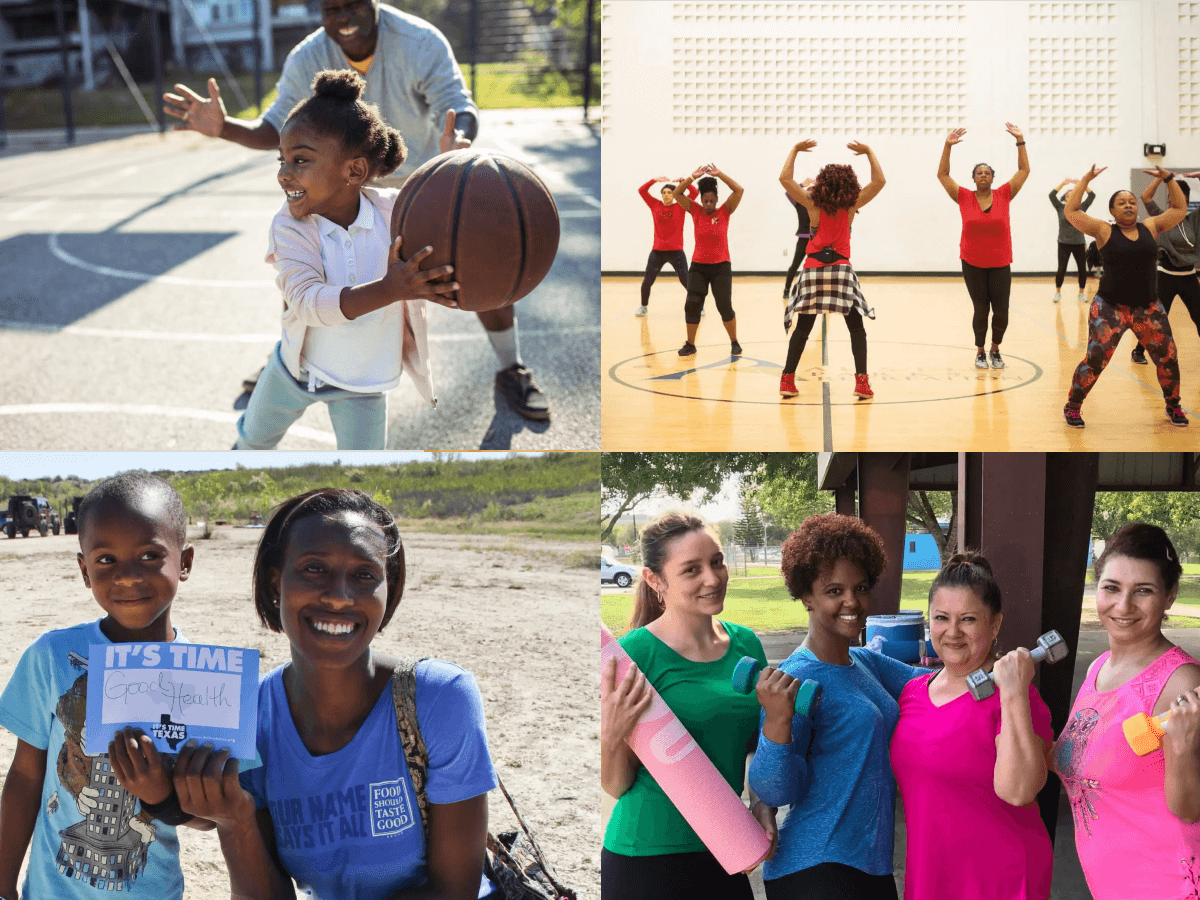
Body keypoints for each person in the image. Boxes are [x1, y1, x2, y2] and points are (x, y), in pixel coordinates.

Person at [162, 0, 550, 421]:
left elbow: (457, 104)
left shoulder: (418, 41)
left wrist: (457, 141)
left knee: (478, 258)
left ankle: (511, 366)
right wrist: (225, 127)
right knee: (305, 269)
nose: (341, 18)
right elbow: (274, 127)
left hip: (418, 184)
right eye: (331, 9)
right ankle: (290, 360)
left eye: (351, 6)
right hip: (335, 186)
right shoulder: (308, 56)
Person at [171, 488, 499, 898]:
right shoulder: (249, 715)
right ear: (277, 582)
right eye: (314, 569)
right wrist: (233, 820)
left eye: (364, 575)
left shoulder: (439, 698)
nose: (339, 597)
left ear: (388, 587)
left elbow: (454, 891)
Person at [0, 473, 214, 899]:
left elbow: (214, 815)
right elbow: (26, 776)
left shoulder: (205, 680)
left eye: (150, 555)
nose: (128, 577)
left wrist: (161, 798)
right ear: (84, 569)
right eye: (106, 560)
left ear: (185, 562)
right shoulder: (52, 657)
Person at [234, 71, 459, 450]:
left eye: (300, 160)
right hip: (294, 371)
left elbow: (444, 213)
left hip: (363, 385)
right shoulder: (290, 227)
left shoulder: (394, 214)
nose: (283, 174)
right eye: (282, 160)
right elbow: (307, 303)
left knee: (364, 469)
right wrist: (389, 289)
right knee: (252, 443)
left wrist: (454, 170)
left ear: (353, 170)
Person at [601, 512, 777, 900]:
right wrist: (613, 734)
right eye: (691, 570)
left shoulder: (747, 645)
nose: (712, 579)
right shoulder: (634, 656)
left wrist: (762, 803)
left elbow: (758, 744)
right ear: (655, 580)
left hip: (726, 845)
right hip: (646, 858)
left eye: (716, 562)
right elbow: (616, 785)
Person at [748, 513, 924, 900]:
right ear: (806, 596)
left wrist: (984, 661)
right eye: (834, 591)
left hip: (869, 863)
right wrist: (777, 721)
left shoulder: (864, 661)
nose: (852, 602)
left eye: (860, 588)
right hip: (818, 868)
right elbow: (774, 790)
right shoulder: (795, 680)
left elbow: (933, 687)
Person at [890, 552, 1053, 900]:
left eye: (967, 619)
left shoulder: (1018, 699)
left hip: (1000, 881)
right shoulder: (913, 693)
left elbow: (1020, 791)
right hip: (931, 876)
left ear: (994, 625)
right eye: (941, 618)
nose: (952, 632)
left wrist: (1012, 693)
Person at [1053, 523, 1200, 899]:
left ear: (1169, 597)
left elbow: (1189, 810)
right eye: (1112, 588)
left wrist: (1183, 748)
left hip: (1168, 886)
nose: (1123, 606)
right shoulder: (1097, 668)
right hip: (1110, 886)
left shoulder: (1180, 683)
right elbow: (1080, 760)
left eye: (1144, 591)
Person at [1062, 164, 1190, 428]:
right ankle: (1073, 406)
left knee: (1169, 358)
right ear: (1112, 210)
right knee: (1095, 361)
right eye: (1122, 203)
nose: (1129, 206)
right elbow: (1071, 211)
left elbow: (1179, 209)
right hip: (1110, 308)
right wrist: (1085, 179)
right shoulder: (1103, 230)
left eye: (1132, 202)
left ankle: (1173, 406)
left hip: (1148, 309)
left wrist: (1168, 178)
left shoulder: (1151, 227)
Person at [777, 140, 886, 401]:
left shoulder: (813, 204)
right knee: (856, 327)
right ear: (849, 185)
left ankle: (787, 379)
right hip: (840, 269)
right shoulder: (850, 206)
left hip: (814, 269)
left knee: (803, 328)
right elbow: (879, 181)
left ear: (822, 183)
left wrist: (793, 150)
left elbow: (785, 179)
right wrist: (870, 152)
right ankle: (862, 383)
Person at [937, 123, 1030, 369]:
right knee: (981, 310)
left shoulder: (1004, 195)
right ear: (973, 178)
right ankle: (980, 351)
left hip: (1000, 263)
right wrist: (948, 146)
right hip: (972, 262)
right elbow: (943, 176)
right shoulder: (964, 197)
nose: (983, 175)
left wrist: (1020, 141)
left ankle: (995, 349)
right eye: (979, 172)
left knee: (1001, 311)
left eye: (987, 172)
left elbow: (1023, 170)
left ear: (992, 177)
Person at [669, 165, 745, 357]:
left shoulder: (725, 211)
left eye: (712, 200)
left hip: (721, 267)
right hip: (698, 267)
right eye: (706, 201)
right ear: (701, 201)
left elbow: (739, 190)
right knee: (692, 303)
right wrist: (691, 177)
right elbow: (677, 194)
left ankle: (734, 342)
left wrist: (720, 174)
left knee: (724, 305)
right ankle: (690, 344)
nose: (709, 204)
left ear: (717, 200)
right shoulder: (695, 210)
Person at [1130, 171, 1200, 365]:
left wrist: (1198, 176)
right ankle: (1137, 351)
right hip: (1166, 276)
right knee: (1156, 319)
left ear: (1185, 201)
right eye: (1170, 198)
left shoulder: (1193, 220)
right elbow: (1145, 197)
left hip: (1189, 276)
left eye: (1178, 198)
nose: (1172, 201)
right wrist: (1161, 177)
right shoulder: (1161, 218)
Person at [636, 175, 698, 317]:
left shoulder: (681, 206)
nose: (666, 195)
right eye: (664, 193)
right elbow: (642, 191)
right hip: (657, 252)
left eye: (669, 192)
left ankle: (698, 306)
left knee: (686, 280)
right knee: (647, 282)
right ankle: (643, 307)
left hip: (676, 252)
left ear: (674, 195)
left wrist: (683, 182)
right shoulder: (655, 205)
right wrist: (654, 180)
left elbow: (694, 193)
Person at [1049, 177, 1094, 303]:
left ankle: (1081, 294)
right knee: (1061, 269)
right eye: (1068, 195)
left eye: (1073, 195)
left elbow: (1091, 196)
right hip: (1063, 243)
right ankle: (1058, 292)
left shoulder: (1081, 208)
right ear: (1065, 198)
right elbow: (1052, 195)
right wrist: (1063, 183)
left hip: (1079, 243)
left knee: (1082, 269)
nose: (1071, 197)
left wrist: (1082, 184)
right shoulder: (1060, 208)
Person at [783, 183, 814, 299]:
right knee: (795, 265)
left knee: (817, 267)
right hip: (803, 239)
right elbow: (789, 193)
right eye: (809, 190)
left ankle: (816, 292)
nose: (811, 192)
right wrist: (801, 185)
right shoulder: (800, 204)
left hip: (816, 241)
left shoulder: (820, 205)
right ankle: (787, 289)